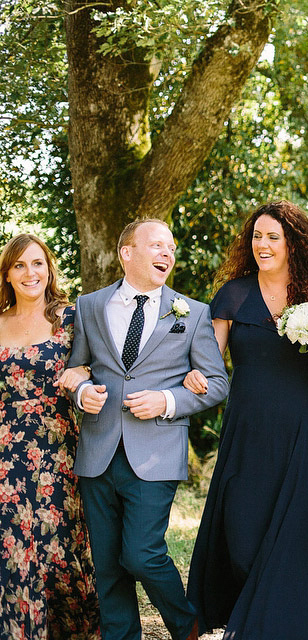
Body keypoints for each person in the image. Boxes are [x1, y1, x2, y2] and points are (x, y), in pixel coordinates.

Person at [186, 200, 308, 639]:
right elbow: (207, 360)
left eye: (272, 236)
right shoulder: (232, 295)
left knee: (302, 526)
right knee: (241, 525)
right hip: (248, 428)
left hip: (306, 427)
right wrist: (192, 376)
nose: (263, 244)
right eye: (257, 236)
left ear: (292, 243)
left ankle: (283, 621)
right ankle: (238, 604)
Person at [67, 219, 229, 640]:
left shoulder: (192, 313)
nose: (167, 254)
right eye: (156, 246)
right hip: (98, 453)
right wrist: (82, 391)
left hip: (156, 451)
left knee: (140, 554)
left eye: (171, 248)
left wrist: (168, 401)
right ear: (127, 253)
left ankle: (186, 624)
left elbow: (217, 383)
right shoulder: (90, 306)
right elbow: (76, 369)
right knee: (107, 565)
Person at [0, 234, 100, 638]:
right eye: (20, 265)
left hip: (56, 453)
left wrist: (85, 374)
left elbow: (102, 365)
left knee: (57, 550)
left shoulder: (72, 318)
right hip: (5, 455)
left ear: (49, 269)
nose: (30, 273)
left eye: (37, 263)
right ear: (7, 273)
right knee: (11, 551)